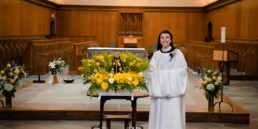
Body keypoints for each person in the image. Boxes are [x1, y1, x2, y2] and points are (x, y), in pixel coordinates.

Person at [148, 30, 188, 129]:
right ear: (159, 40)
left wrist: (165, 76)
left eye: (167, 37)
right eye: (162, 37)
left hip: (174, 92)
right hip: (159, 93)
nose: (165, 39)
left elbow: (182, 70)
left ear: (171, 40)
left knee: (173, 115)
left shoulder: (177, 53)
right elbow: (151, 71)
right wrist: (163, 76)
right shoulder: (156, 55)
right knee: (160, 115)